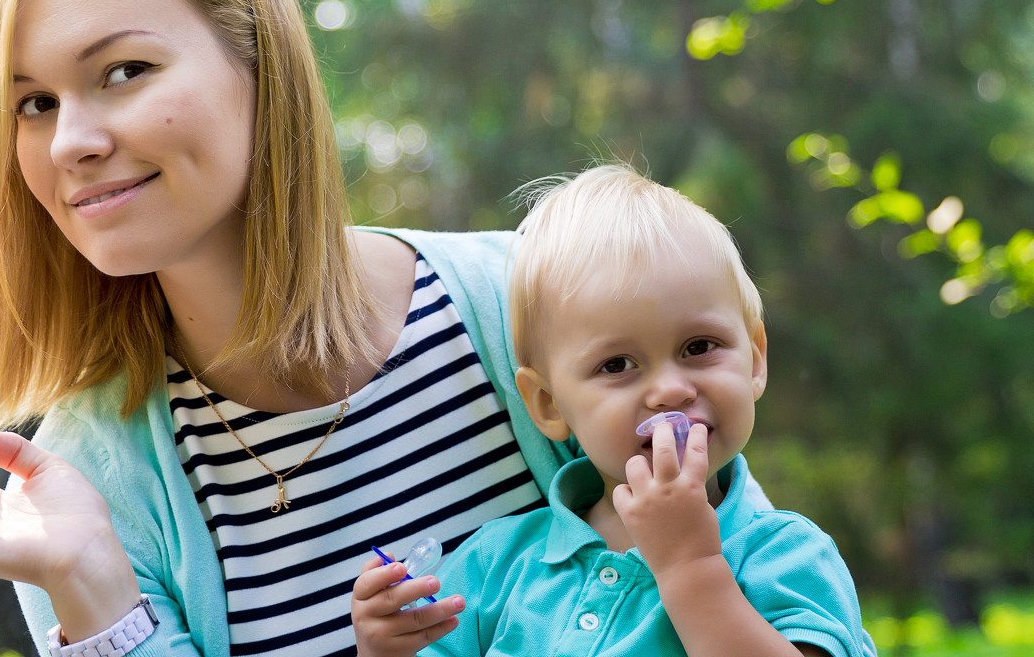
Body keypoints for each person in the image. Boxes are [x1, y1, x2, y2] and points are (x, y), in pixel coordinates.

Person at [0, 0, 595, 657]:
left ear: (259, 62)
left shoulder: (532, 303)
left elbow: (727, 581)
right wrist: (96, 591)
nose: (70, 143)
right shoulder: (84, 479)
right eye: (36, 104)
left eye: (125, 71)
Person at [351, 164, 876, 657]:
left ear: (755, 359)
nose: (670, 391)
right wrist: (386, 649)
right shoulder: (497, 567)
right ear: (548, 405)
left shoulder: (785, 556)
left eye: (698, 347)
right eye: (618, 364)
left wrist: (690, 567)